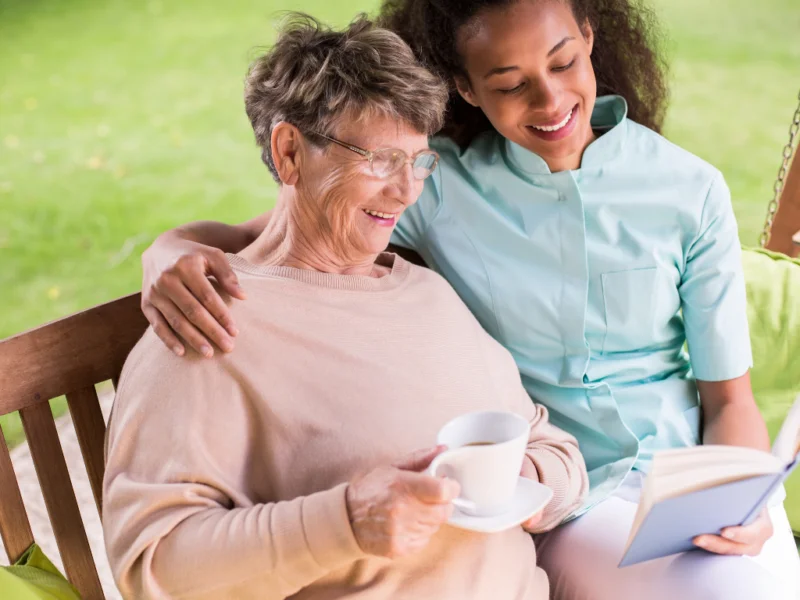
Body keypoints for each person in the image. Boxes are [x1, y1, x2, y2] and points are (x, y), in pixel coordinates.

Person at [137, 1, 800, 598]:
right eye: (510, 84)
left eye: (565, 62)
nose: (548, 101)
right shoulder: (436, 182)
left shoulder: (689, 189)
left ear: (590, 38)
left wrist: (737, 499)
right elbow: (281, 227)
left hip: (697, 477)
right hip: (568, 501)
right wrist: (165, 252)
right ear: (467, 88)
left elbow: (729, 398)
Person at [102, 15, 588, 600]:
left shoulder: (427, 293)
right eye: (381, 159)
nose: (407, 191)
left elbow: (548, 446)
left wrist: (528, 481)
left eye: (418, 161)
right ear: (289, 152)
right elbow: (151, 565)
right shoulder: (207, 318)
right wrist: (346, 522)